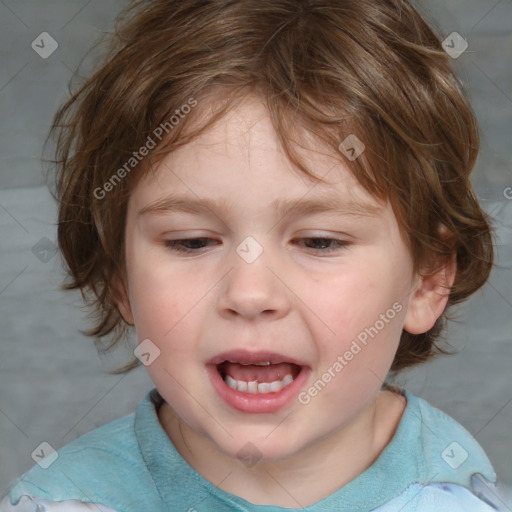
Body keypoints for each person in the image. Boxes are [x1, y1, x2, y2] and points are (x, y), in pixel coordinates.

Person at [2, 0, 509, 510]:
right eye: (191, 242)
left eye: (319, 242)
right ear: (120, 278)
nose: (249, 294)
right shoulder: (65, 502)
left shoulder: (459, 490)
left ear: (426, 281)